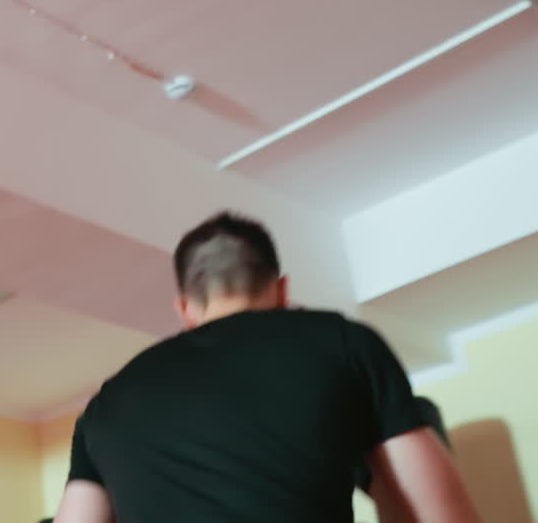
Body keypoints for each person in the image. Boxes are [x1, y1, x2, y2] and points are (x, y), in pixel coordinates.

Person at [54, 212, 481, 522]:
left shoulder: (105, 405)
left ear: (184, 308)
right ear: (282, 290)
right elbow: (439, 513)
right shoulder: (343, 342)